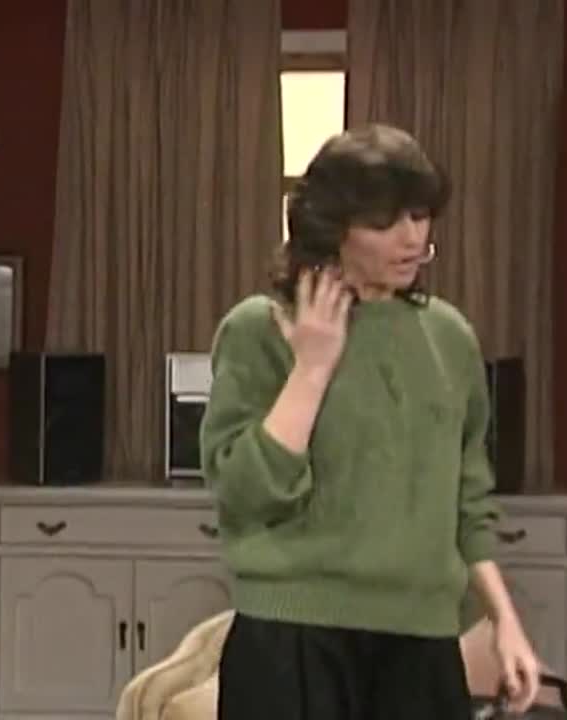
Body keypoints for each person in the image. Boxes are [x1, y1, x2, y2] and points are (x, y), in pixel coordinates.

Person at [200, 123, 540, 719]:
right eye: (385, 223)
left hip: (421, 643)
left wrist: (503, 622)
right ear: (333, 228)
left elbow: (467, 500)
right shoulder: (261, 328)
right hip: (291, 639)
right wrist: (312, 368)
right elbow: (245, 495)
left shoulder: (449, 337)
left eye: (420, 215)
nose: (412, 237)